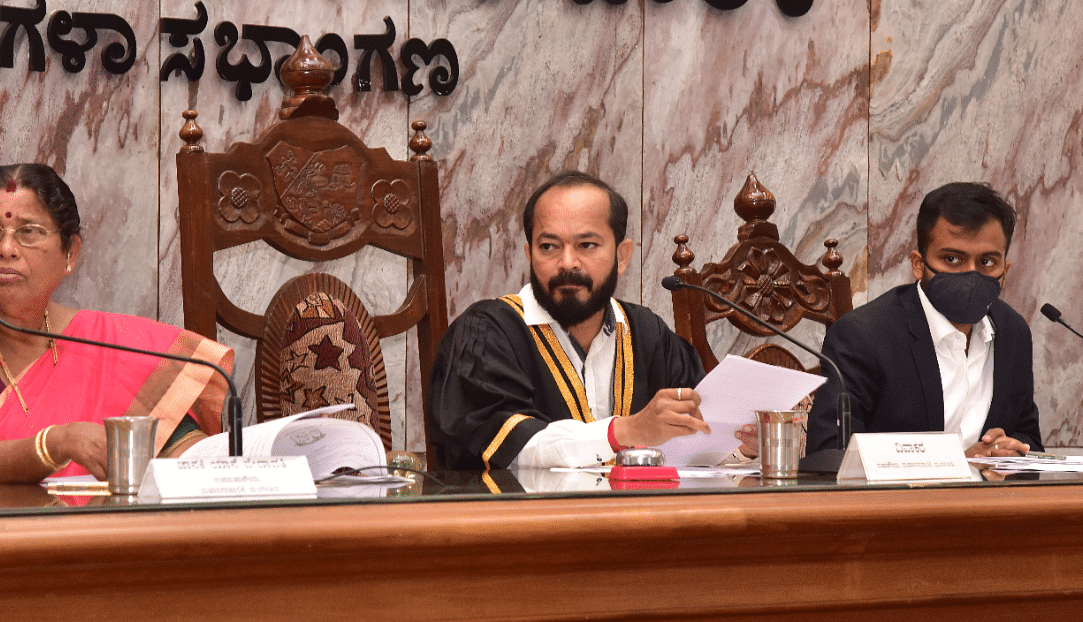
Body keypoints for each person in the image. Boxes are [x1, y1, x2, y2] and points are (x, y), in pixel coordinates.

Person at [0, 163, 234, 487]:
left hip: (88, 544)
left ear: (70, 253)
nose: (6, 248)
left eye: (29, 232)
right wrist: (55, 443)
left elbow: (171, 442)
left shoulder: (99, 340)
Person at [428, 171, 757, 470]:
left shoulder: (648, 334)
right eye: (548, 247)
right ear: (530, 256)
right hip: (521, 531)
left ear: (622, 256)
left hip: (641, 529)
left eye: (587, 245)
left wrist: (744, 447)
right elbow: (513, 450)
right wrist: (625, 431)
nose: (567, 263)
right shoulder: (487, 334)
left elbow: (696, 445)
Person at [806, 182, 1041, 457]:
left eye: (987, 262)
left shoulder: (1013, 332)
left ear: (1006, 269)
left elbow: (1028, 438)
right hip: (897, 500)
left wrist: (1013, 451)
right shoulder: (863, 336)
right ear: (918, 264)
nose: (970, 274)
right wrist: (956, 463)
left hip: (991, 500)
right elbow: (830, 452)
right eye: (952, 259)